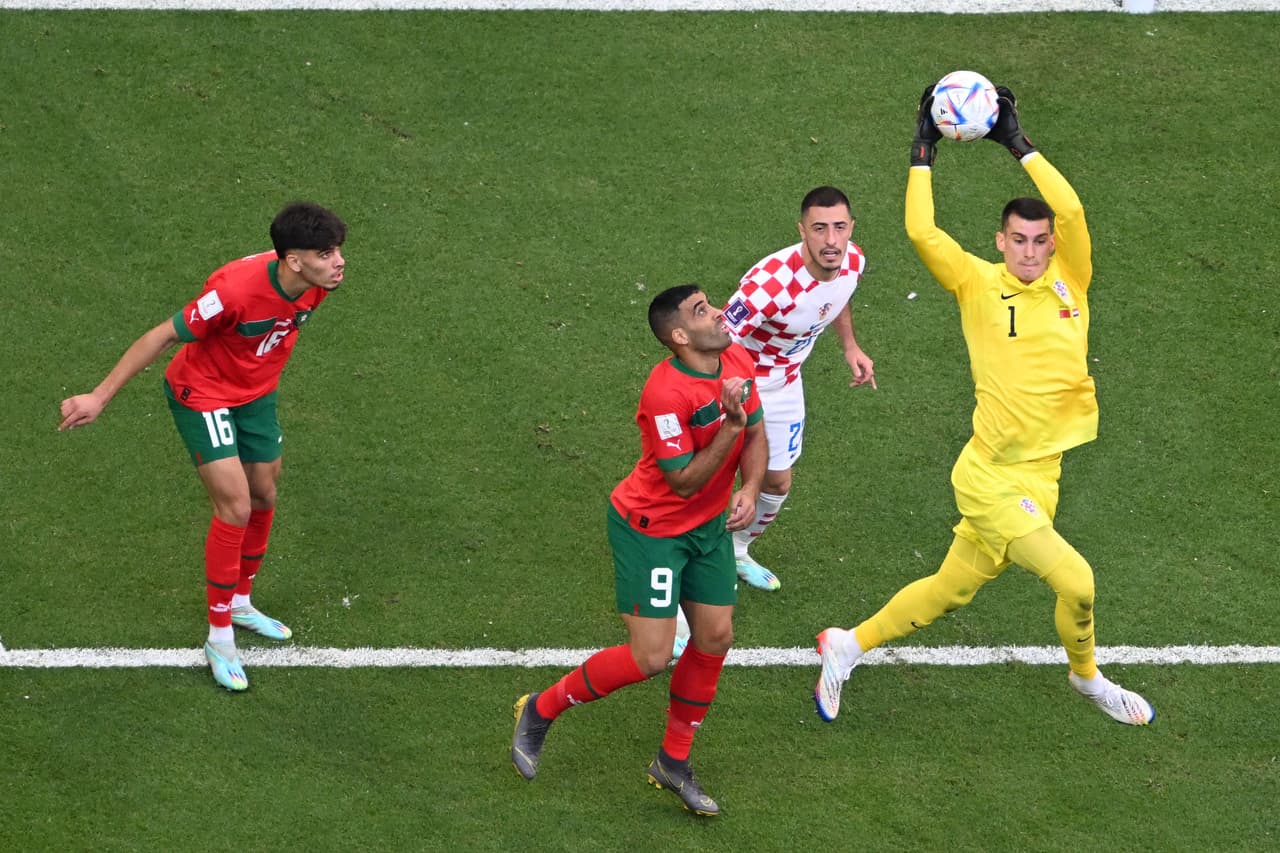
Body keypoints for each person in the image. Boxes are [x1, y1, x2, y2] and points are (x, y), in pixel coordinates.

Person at [813, 85, 1155, 727]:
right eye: (1019, 240)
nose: (1031, 250)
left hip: (1042, 472)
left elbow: (1074, 210)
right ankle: (1088, 682)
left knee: (949, 590)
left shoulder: (1070, 281)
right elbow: (920, 228)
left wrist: (1017, 144)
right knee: (1076, 580)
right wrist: (924, 148)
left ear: (1052, 245)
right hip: (991, 477)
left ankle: (845, 646)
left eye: (1040, 240)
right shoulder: (974, 282)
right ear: (999, 242)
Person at [58, 202, 348, 693]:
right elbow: (162, 335)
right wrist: (100, 395)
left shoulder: (315, 284)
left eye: (338, 249)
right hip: (203, 394)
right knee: (234, 506)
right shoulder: (234, 293)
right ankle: (218, 638)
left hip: (255, 394)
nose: (339, 261)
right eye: (326, 253)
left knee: (264, 493)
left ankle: (240, 601)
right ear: (293, 260)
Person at [511, 284, 766, 817]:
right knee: (651, 656)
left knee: (715, 636)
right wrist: (731, 426)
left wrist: (748, 487)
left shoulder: (733, 358)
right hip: (652, 529)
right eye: (702, 311)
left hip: (708, 530)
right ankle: (540, 708)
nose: (718, 311)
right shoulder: (665, 394)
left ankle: (673, 762)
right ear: (678, 336)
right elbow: (684, 482)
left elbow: (758, 433)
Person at [722, 186, 876, 592]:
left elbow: (838, 297)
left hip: (786, 384)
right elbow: (721, 338)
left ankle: (735, 551)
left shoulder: (852, 260)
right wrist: (735, 391)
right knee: (710, 482)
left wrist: (850, 346)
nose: (831, 240)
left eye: (840, 228)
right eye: (820, 228)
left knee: (777, 483)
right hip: (737, 386)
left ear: (851, 228)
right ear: (802, 230)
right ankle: (694, 570)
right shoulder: (768, 284)